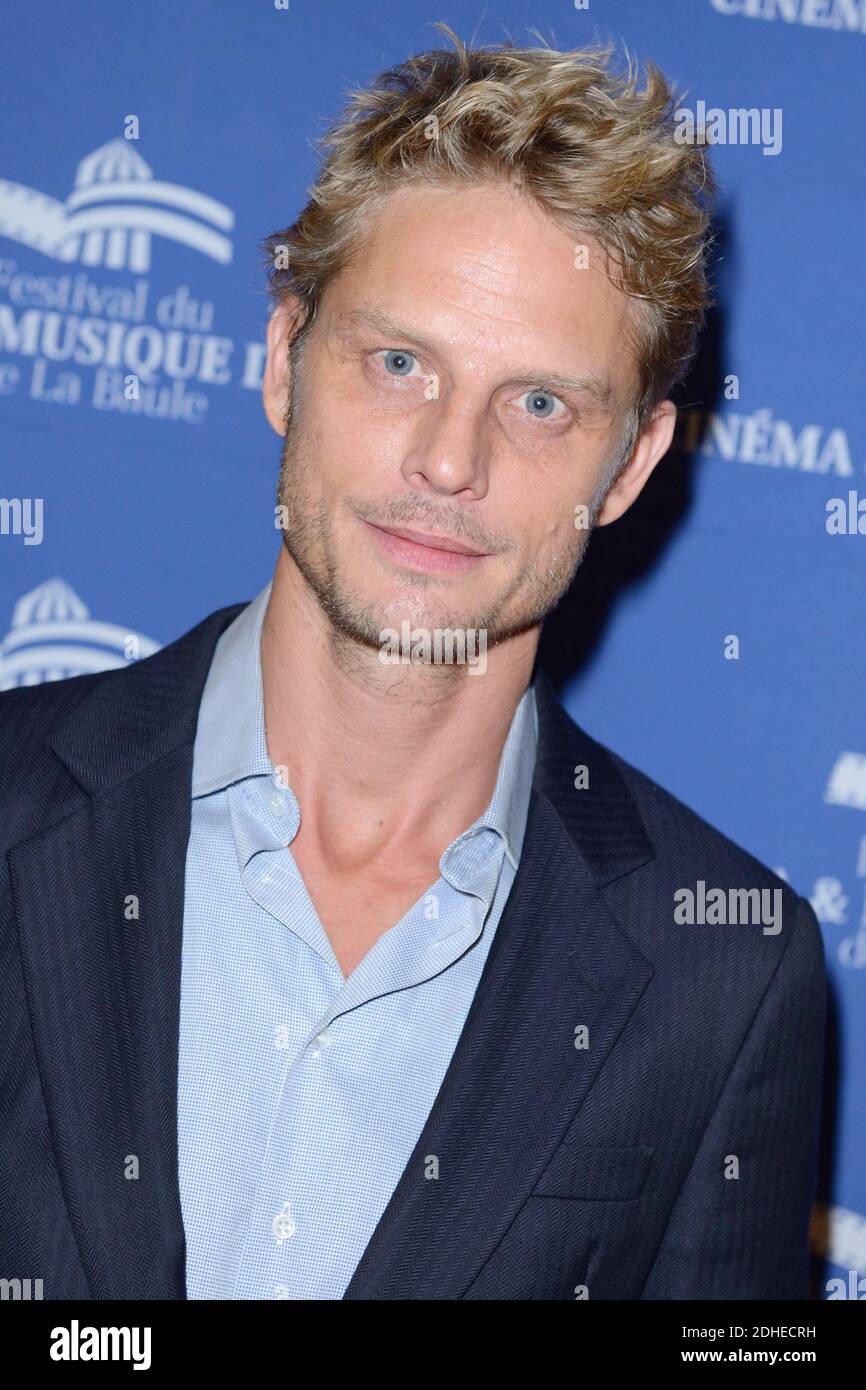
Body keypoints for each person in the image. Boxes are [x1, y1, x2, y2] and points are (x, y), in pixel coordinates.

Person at [0, 26, 825, 1300]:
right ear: (283, 360)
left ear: (633, 465)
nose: (450, 461)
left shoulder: (723, 972)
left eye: (540, 402)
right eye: (399, 363)